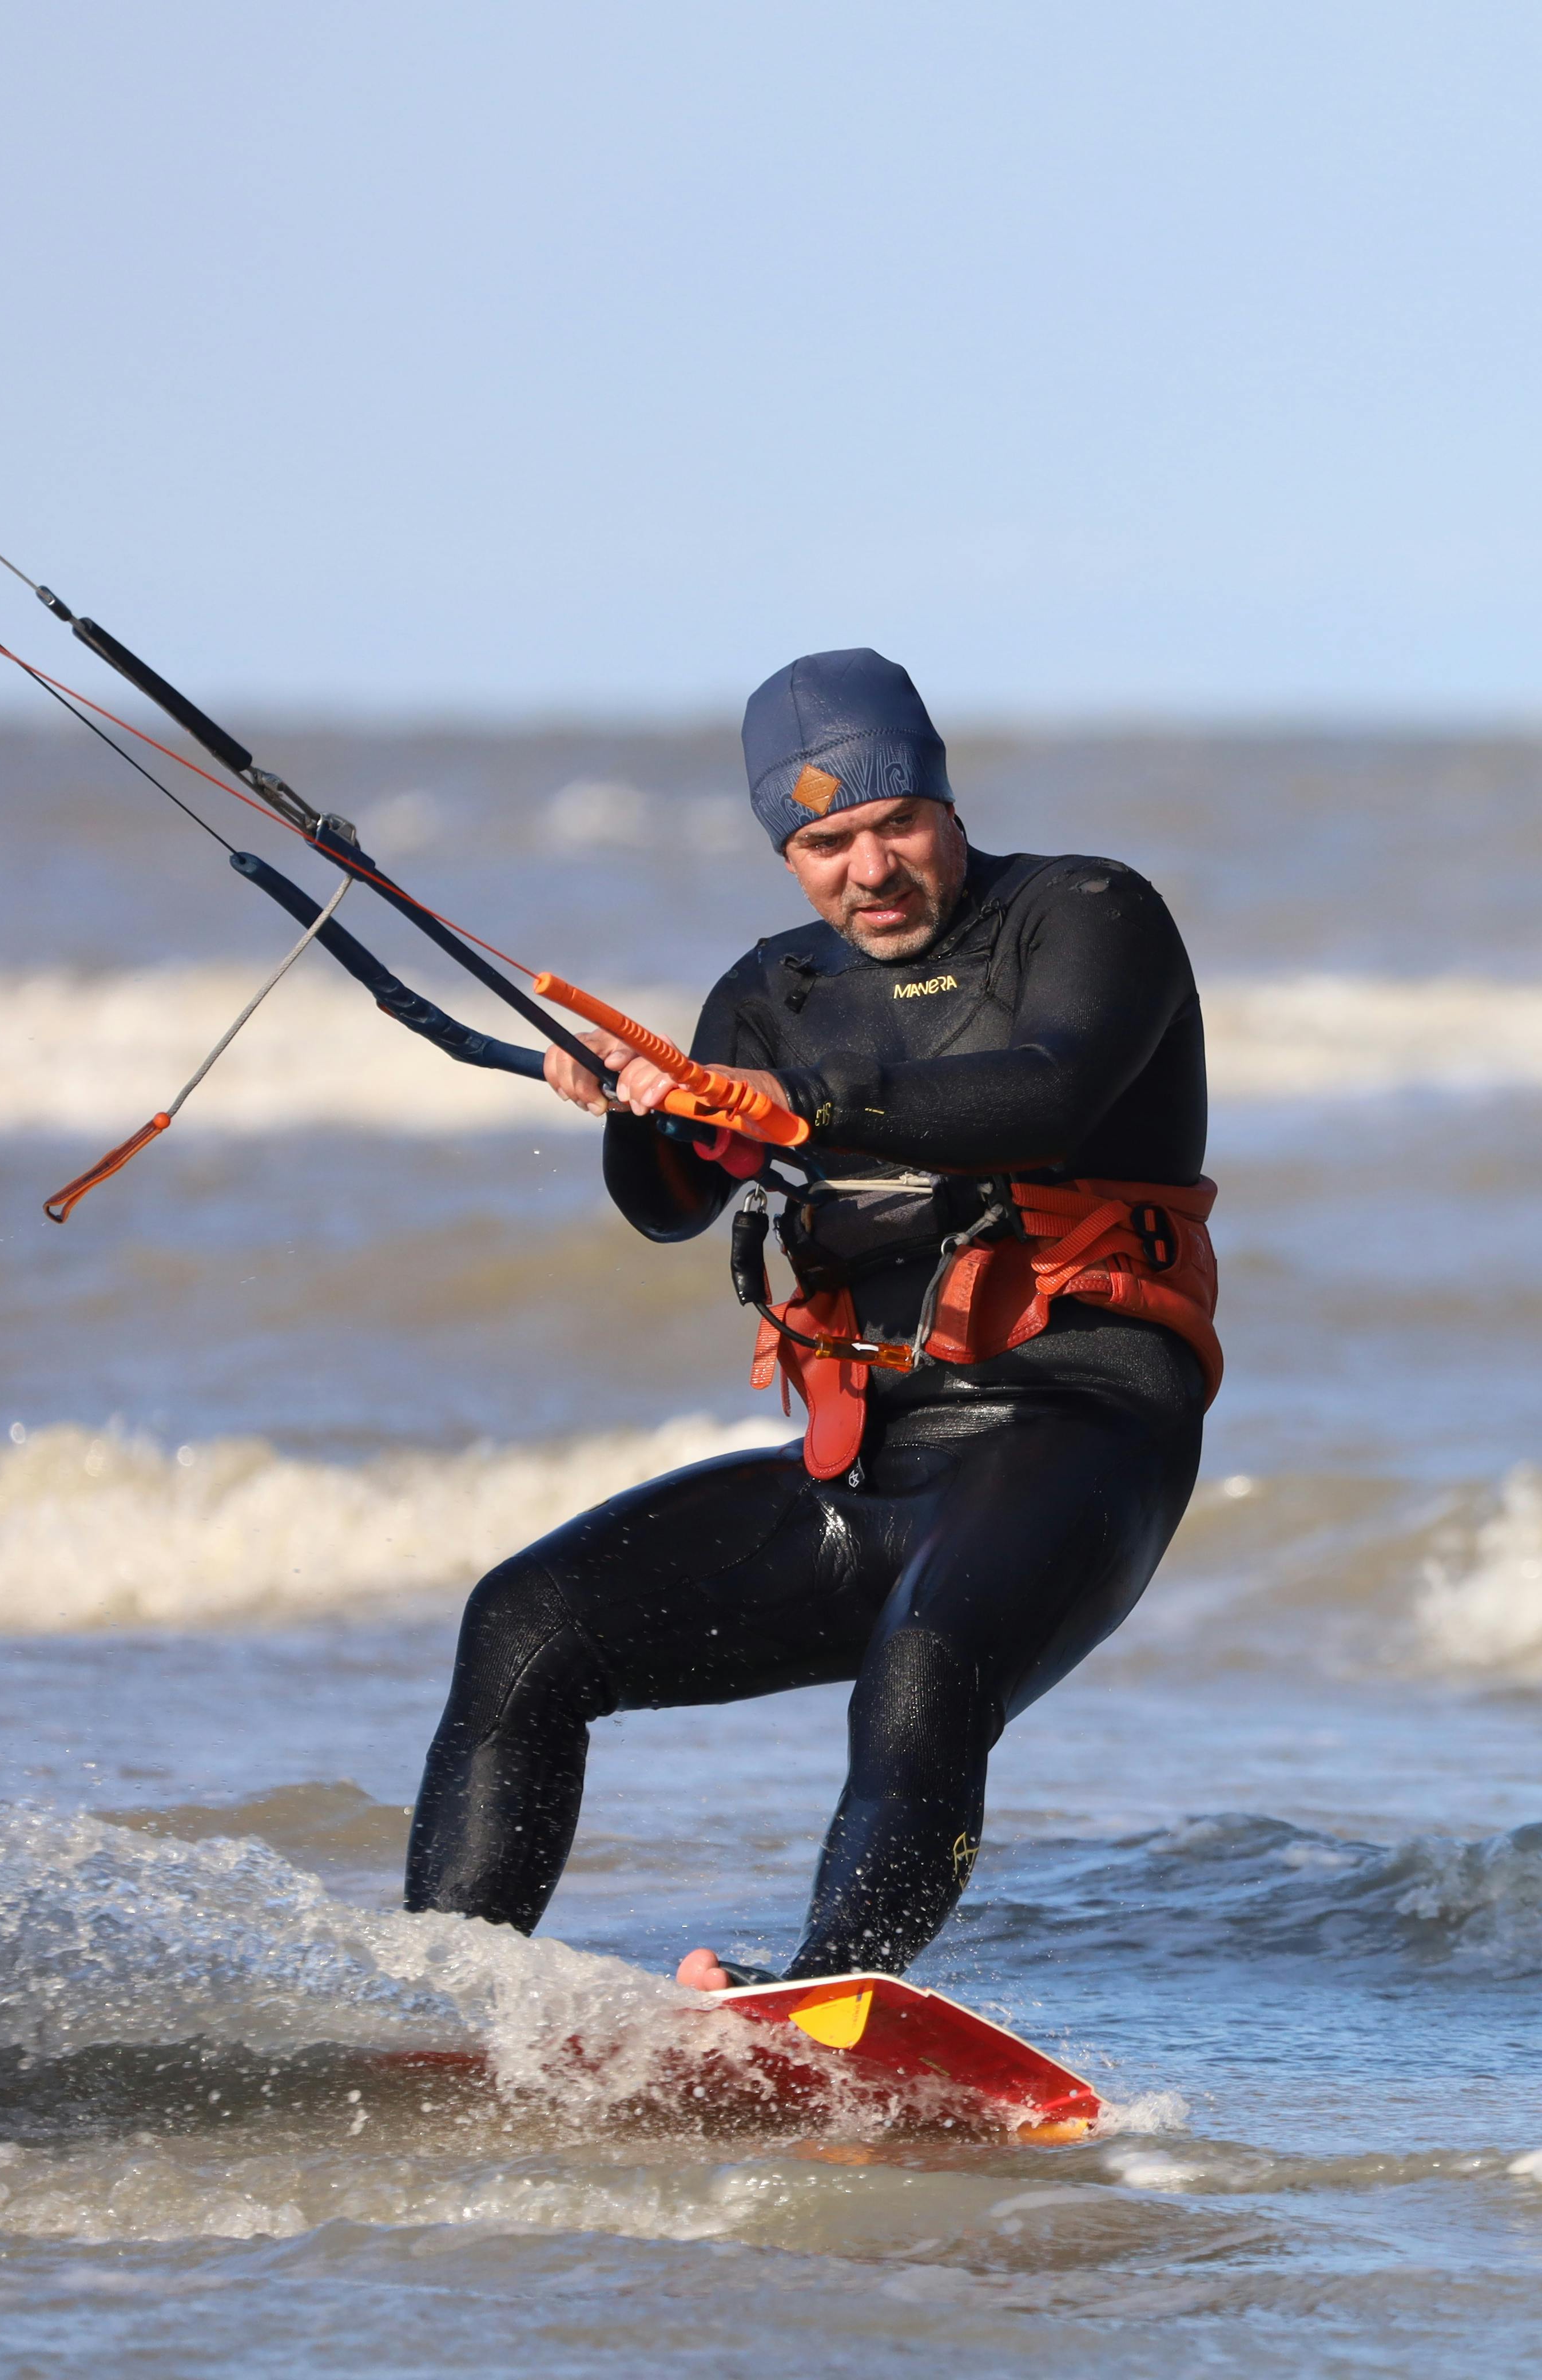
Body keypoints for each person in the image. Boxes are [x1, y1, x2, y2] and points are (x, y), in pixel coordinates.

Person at [403, 648, 1217, 1989]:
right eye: (827, 844)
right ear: (786, 851)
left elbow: (1051, 1090)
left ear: (947, 802)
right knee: (523, 1620)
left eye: (899, 824)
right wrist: (644, 1106)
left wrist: (805, 1102)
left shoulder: (1082, 914)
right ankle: (447, 1996)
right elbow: (668, 1207)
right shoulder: (768, 992)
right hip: (869, 1466)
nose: (872, 870)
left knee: (924, 1666)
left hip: (1082, 1433)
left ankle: (826, 2000)